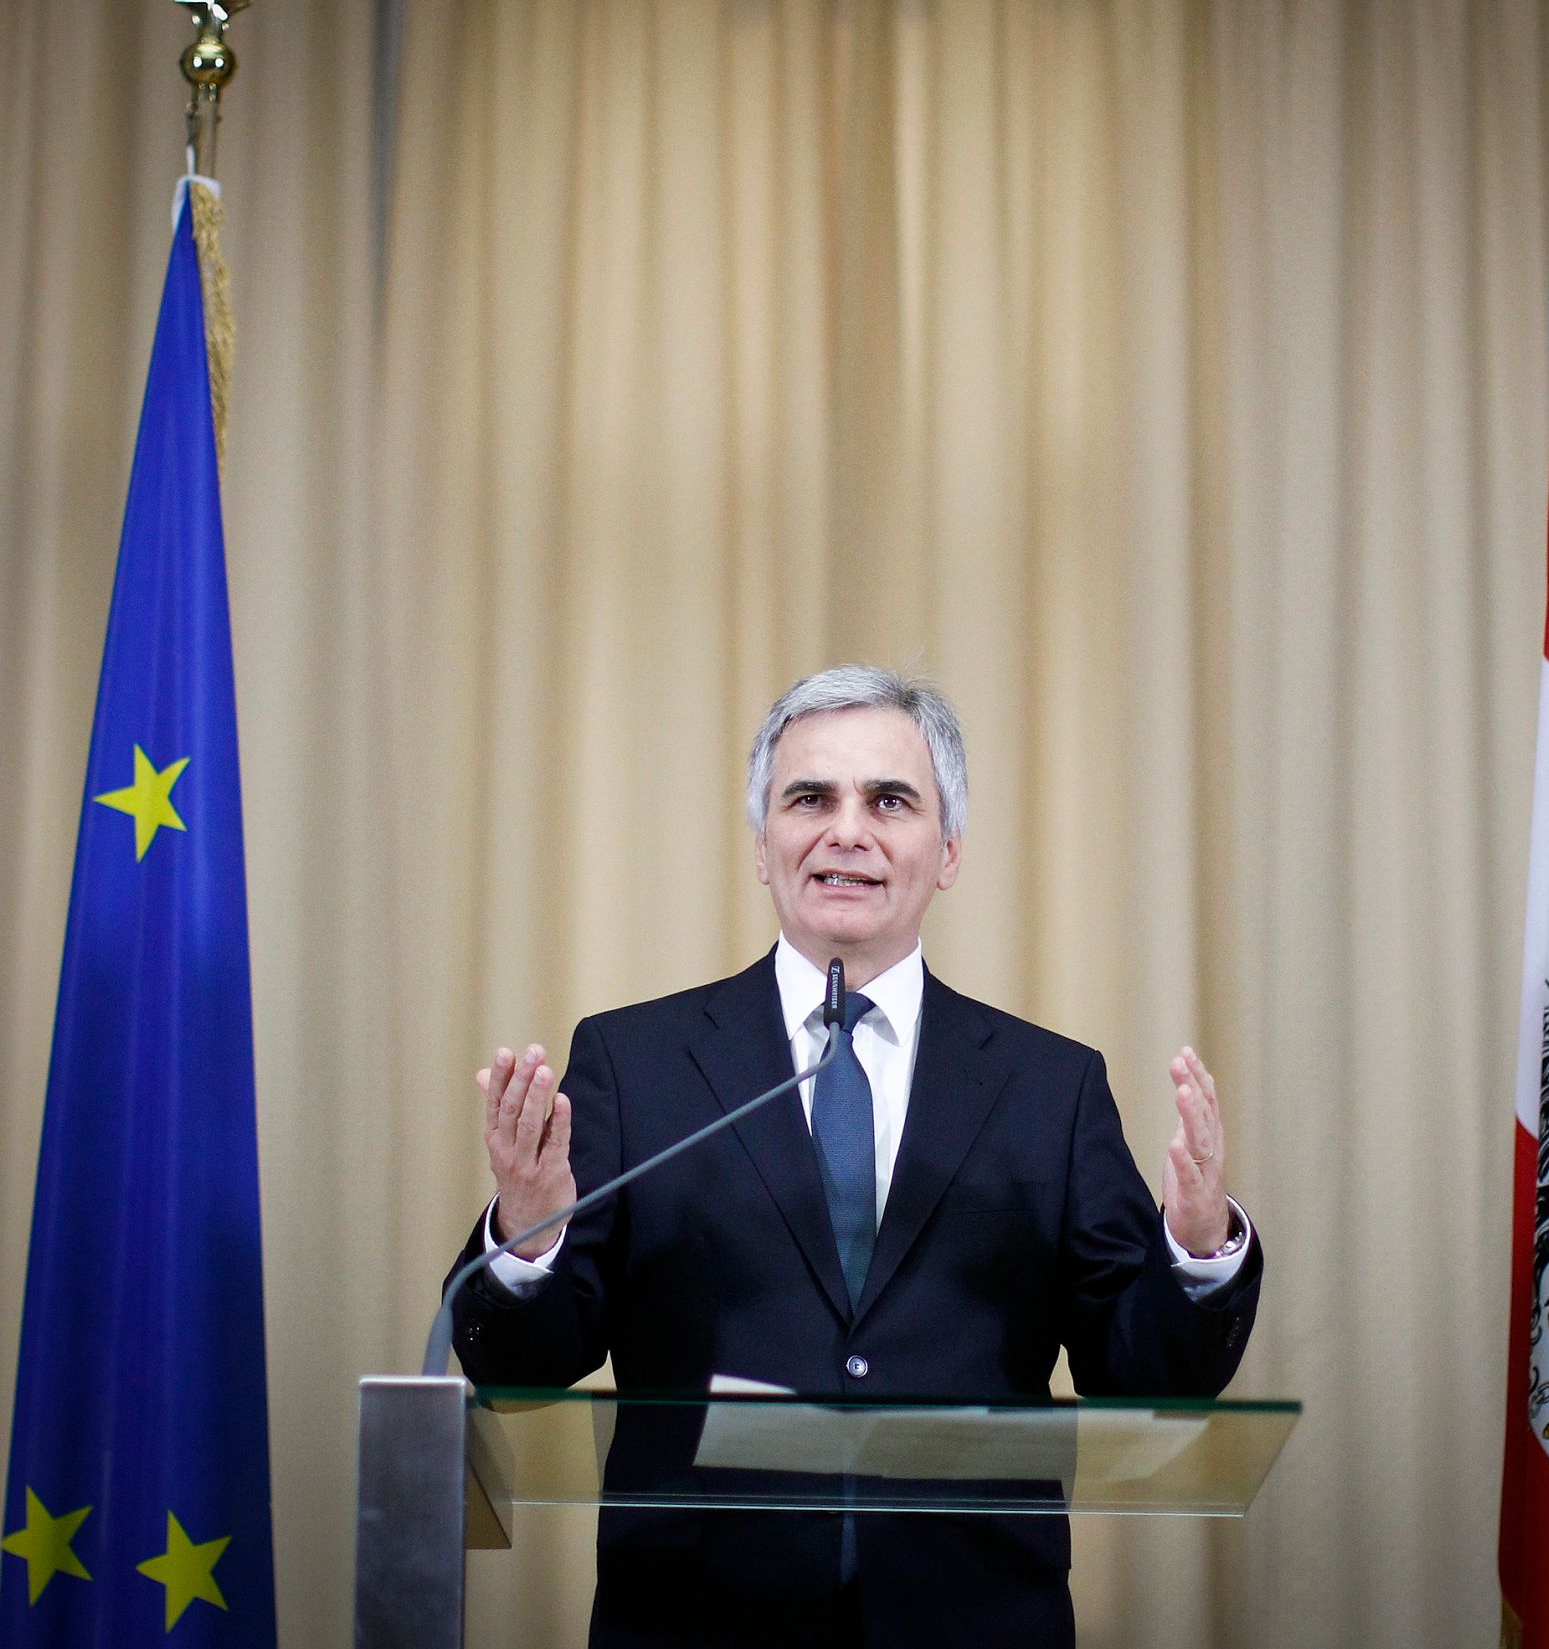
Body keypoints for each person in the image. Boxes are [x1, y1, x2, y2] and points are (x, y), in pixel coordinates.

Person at [448, 665, 1261, 1647]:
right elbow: (528, 1363)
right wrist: (528, 1229)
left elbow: (1141, 1374)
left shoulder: (1051, 1087)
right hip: (697, 1620)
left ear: (948, 849)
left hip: (971, 1617)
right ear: (762, 845)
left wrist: (1198, 1244)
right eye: (809, 797)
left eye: (888, 799)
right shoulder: (636, 1062)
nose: (847, 829)